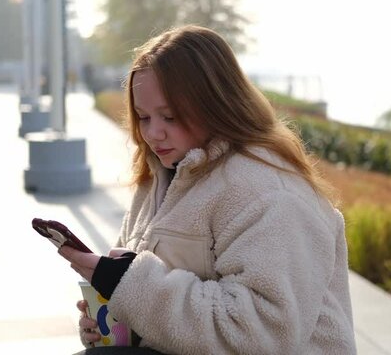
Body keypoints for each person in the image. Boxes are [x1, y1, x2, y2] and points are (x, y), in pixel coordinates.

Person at [58, 25, 357, 355]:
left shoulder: (270, 193)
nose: (153, 133)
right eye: (143, 117)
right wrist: (111, 314)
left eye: (170, 117)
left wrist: (130, 287)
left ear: (215, 103)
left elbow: (263, 334)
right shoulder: (161, 176)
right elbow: (140, 292)